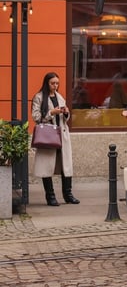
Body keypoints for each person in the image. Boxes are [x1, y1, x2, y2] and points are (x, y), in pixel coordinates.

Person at [31, 72, 78, 206]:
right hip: (47, 136)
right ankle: (50, 196)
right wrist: (51, 113)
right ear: (47, 83)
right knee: (47, 166)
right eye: (52, 83)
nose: (55, 86)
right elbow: (36, 117)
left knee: (66, 166)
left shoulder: (60, 97)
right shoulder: (39, 97)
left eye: (57, 83)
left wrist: (66, 113)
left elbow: (65, 119)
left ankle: (68, 195)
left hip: (62, 135)